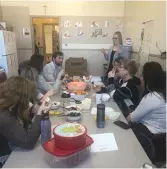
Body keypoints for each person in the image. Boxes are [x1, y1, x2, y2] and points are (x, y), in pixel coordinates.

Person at [0, 76, 51, 167]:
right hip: (6, 158)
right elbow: (27, 142)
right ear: (19, 98)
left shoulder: (11, 107)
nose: (29, 101)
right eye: (27, 98)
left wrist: (32, 112)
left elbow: (23, 126)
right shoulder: (4, 116)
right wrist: (39, 114)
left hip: (16, 149)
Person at [127, 62, 166, 135]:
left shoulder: (152, 97)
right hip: (161, 137)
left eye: (142, 75)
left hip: (148, 135)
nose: (140, 78)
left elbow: (132, 119)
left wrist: (126, 117)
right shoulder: (162, 94)